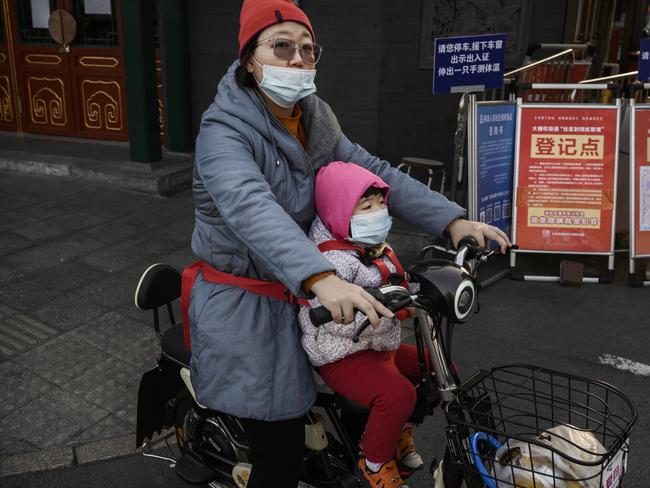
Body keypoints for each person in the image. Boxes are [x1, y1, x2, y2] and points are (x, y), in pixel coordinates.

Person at [187, 0, 511, 487]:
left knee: (397, 381)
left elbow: (372, 173)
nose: (298, 60)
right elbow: (251, 207)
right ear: (249, 62)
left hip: (312, 289)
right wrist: (320, 277)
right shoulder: (222, 132)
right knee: (280, 455)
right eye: (280, 47)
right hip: (248, 303)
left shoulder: (314, 117)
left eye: (307, 49)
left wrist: (451, 220)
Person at [298, 161, 428, 487]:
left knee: (438, 368)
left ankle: (396, 433)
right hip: (342, 353)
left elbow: (399, 280)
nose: (379, 212)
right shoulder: (329, 261)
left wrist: (425, 290)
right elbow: (335, 321)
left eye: (381, 204)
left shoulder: (374, 247)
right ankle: (374, 462)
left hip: (379, 343)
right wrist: (387, 311)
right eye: (366, 206)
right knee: (398, 394)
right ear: (339, 211)